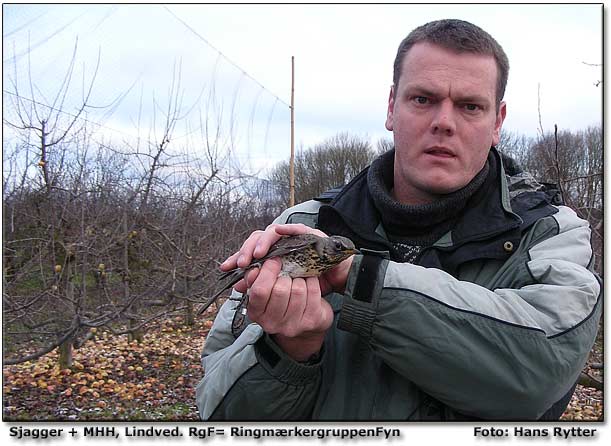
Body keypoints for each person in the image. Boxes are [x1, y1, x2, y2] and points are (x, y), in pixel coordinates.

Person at [195, 19, 602, 420]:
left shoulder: (551, 234)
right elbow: (219, 412)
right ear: (392, 107)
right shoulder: (304, 222)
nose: (444, 122)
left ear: (497, 122)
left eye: (470, 106)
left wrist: (360, 279)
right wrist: (289, 351)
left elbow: (536, 377)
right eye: (423, 99)